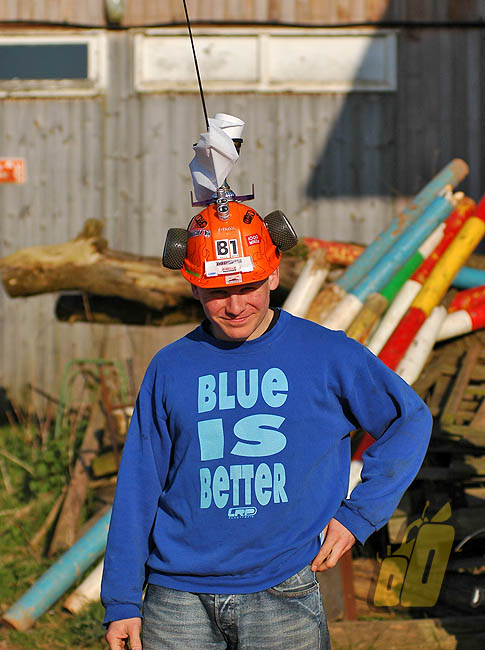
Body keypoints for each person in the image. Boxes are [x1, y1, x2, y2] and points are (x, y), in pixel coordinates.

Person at [101, 194, 433, 650]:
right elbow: (139, 484)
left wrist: (360, 515)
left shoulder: (327, 355)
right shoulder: (170, 367)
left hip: (283, 591)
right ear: (194, 286)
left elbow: (409, 421)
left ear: (274, 273)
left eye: (248, 286)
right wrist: (121, 601)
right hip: (177, 602)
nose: (234, 305)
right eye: (218, 291)